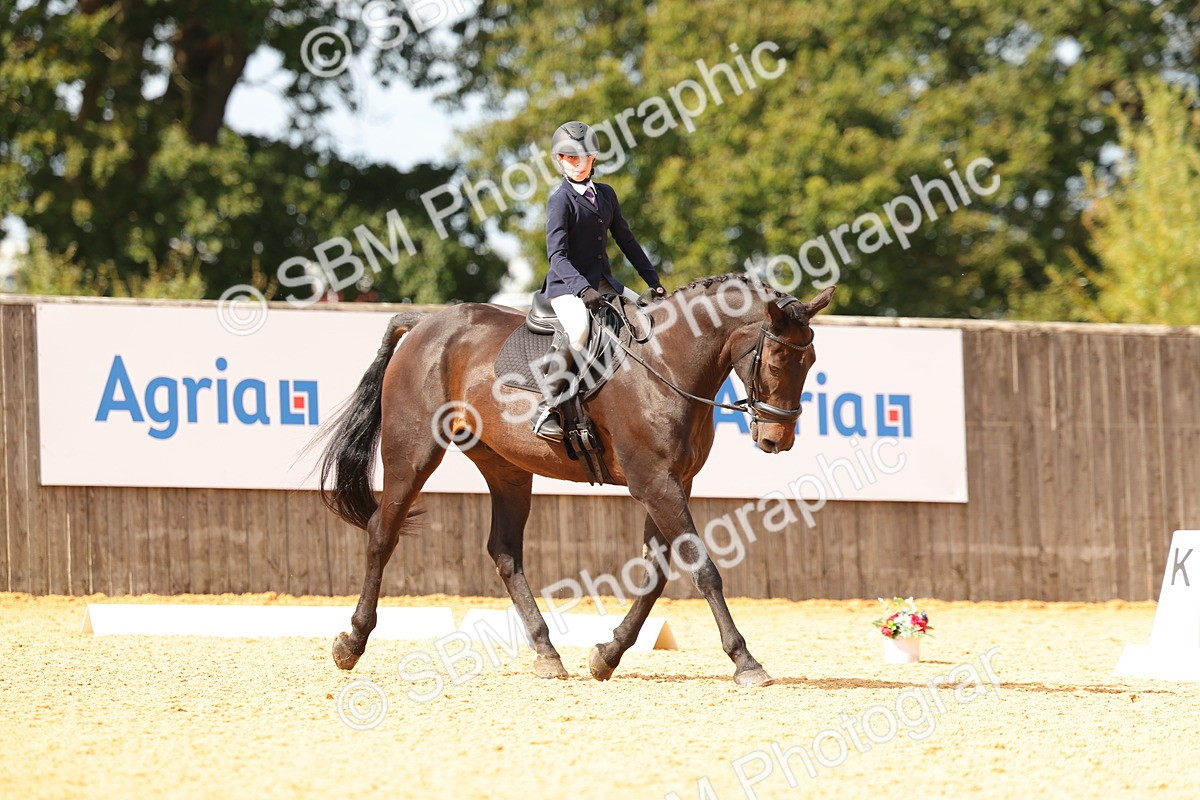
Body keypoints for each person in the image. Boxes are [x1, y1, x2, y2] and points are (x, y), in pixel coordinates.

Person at [531, 120, 667, 441]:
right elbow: (557, 256)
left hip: (604, 282)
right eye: (570, 158)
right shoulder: (560, 201)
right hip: (567, 286)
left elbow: (627, 241)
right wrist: (582, 289)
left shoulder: (605, 194)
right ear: (560, 161)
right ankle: (546, 407)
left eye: (584, 157)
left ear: (594, 158)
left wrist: (653, 281)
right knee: (579, 331)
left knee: (646, 318)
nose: (579, 164)